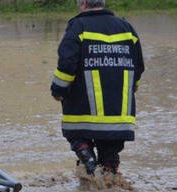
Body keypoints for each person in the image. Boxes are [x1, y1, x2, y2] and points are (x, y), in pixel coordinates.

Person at [50, 0, 145, 187]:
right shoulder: (126, 28)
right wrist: (131, 88)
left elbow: (67, 63)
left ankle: (89, 164)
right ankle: (108, 174)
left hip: (83, 112)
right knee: (110, 153)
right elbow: (139, 66)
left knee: (77, 135)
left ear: (83, 3)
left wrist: (58, 89)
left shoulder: (78, 27)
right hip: (118, 114)